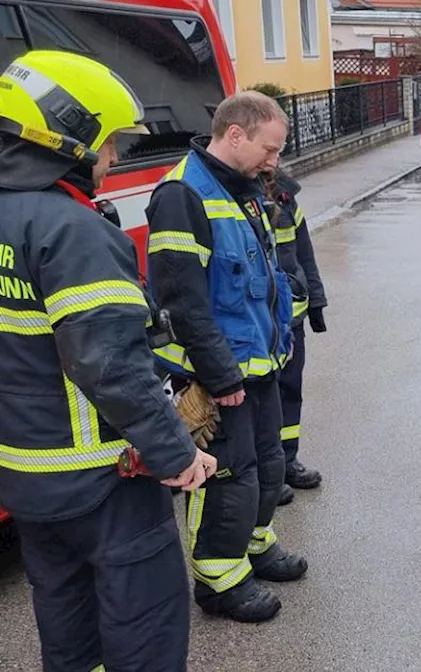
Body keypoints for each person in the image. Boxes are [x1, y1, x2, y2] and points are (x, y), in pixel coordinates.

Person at [0, 50, 217, 670]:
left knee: (67, 630)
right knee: (143, 630)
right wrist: (177, 455)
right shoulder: (71, 231)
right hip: (106, 482)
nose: (113, 157)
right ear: (62, 137)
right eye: (106, 142)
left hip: (25, 477)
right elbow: (109, 366)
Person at [147, 90, 307, 623]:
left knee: (268, 465)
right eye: (269, 148)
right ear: (234, 134)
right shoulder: (182, 194)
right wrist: (219, 377)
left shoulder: (241, 187)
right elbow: (182, 300)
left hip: (257, 365)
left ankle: (255, 545)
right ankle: (220, 581)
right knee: (228, 476)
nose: (274, 160)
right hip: (221, 374)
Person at [263, 166, 328, 506]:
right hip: (260, 323)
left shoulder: (287, 197)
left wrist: (316, 299)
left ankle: (288, 460)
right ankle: (267, 471)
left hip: (292, 318)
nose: (274, 158)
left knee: (290, 389)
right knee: (263, 396)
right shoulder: (235, 197)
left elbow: (305, 254)